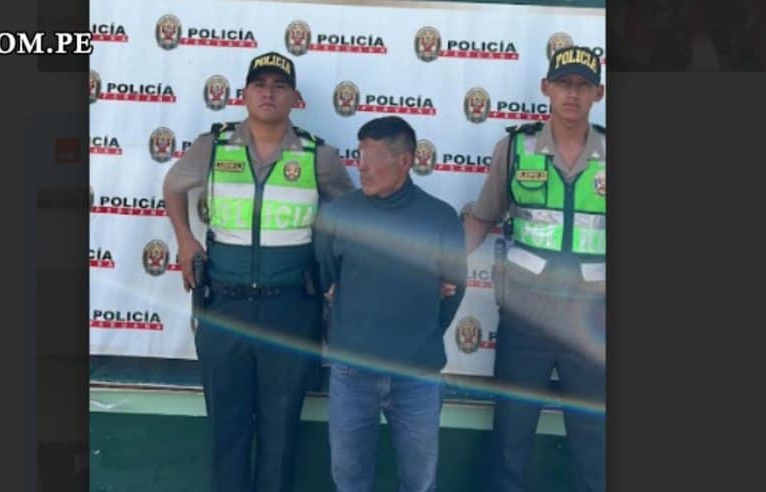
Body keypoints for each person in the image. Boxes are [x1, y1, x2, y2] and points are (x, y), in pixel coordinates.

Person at [162, 51, 354, 492]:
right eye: (260, 85)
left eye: (279, 86)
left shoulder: (318, 155)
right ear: (244, 94)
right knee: (226, 431)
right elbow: (172, 186)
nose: (269, 93)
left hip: (291, 309)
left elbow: (351, 219)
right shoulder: (213, 146)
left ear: (295, 98)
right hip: (223, 308)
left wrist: (338, 273)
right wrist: (185, 238)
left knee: (280, 432)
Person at [463, 46, 606, 492]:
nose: (572, 94)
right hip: (527, 318)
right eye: (563, 83)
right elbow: (481, 219)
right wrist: (439, 267)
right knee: (511, 437)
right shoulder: (515, 148)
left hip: (594, 324)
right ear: (546, 87)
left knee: (595, 444)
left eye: (583, 85)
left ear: (598, 93)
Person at [313, 116, 468, 492]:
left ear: (405, 161)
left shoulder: (440, 218)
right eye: (359, 155)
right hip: (352, 373)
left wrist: (420, 332)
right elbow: (326, 277)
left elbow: (454, 291)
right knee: (350, 479)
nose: (361, 167)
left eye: (372, 157)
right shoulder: (339, 215)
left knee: (419, 482)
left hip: (417, 375)